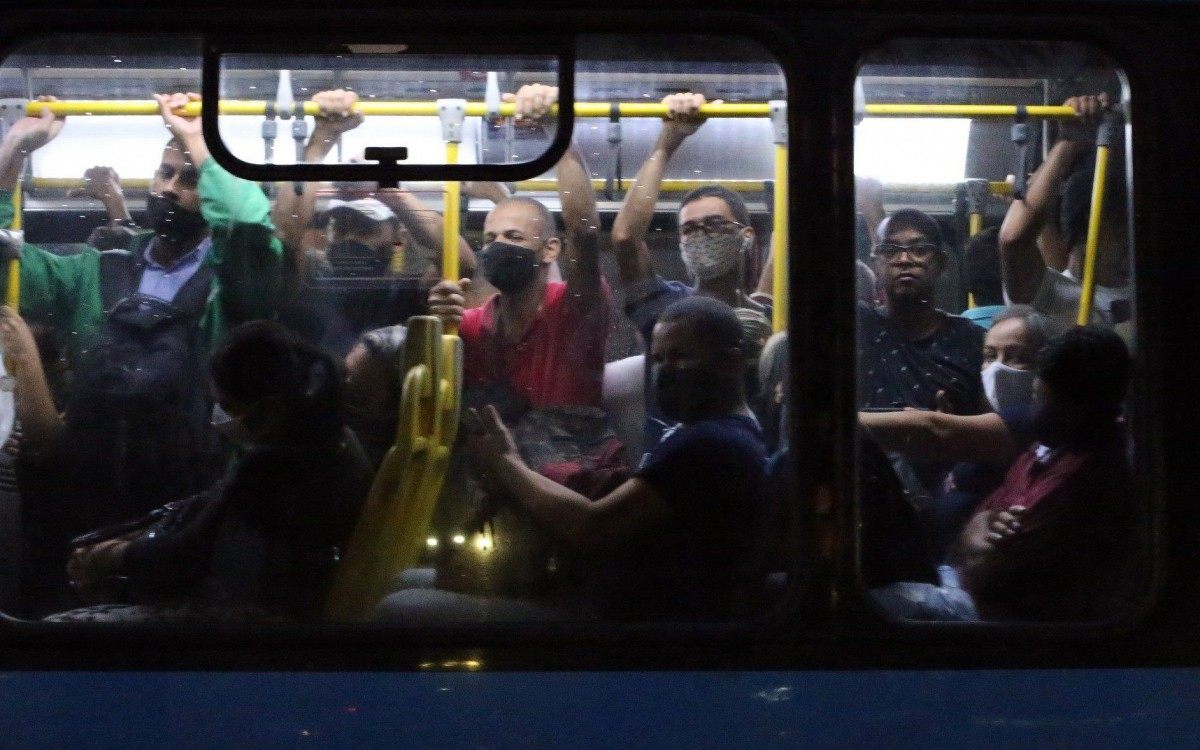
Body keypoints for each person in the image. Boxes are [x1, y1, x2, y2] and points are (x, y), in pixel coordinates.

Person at [0, 93, 284, 609]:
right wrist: (12, 153)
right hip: (86, 487)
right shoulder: (96, 269)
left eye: (190, 180)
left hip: (188, 503)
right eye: (164, 174)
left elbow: (248, 225)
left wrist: (198, 139)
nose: (170, 189)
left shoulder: (232, 285)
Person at [377, 296, 769, 623]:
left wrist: (506, 464)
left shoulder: (714, 445)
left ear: (731, 362)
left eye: (681, 359)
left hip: (625, 620)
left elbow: (591, 526)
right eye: (659, 360)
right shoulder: (697, 433)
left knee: (398, 607)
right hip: (601, 593)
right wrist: (511, 463)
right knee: (404, 580)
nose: (665, 372)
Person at [46, 321, 372, 623]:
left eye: (229, 406)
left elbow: (185, 553)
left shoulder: (279, 469)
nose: (220, 417)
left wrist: (113, 556)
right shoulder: (332, 443)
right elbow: (210, 508)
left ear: (270, 410)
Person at [871, 325, 1133, 622]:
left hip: (988, 611)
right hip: (955, 576)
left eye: (1046, 403)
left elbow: (990, 567)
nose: (1035, 413)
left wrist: (975, 531)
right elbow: (984, 515)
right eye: (989, 355)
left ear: (1083, 408)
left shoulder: (1088, 477)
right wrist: (982, 522)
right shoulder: (1045, 447)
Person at [426, 83, 608, 415]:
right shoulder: (470, 324)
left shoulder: (573, 308)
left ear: (550, 250)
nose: (498, 246)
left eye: (514, 236)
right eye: (490, 239)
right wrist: (436, 324)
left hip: (570, 445)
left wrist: (559, 133)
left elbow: (584, 233)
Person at [610, 92, 772, 446]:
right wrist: (668, 140)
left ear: (745, 236)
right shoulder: (668, 311)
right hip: (675, 459)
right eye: (689, 229)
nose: (701, 236)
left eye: (714, 225)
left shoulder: (770, 316)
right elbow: (625, 239)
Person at [860, 305, 1063, 555]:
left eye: (1016, 357)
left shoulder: (1032, 420)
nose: (997, 368)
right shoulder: (985, 420)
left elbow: (930, 429)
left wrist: (844, 423)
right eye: (990, 356)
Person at [998, 93, 1131, 329]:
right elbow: (1014, 240)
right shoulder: (1055, 294)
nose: (1127, 242)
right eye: (1119, 229)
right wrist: (1069, 141)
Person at [858, 208, 985, 414]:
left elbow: (996, 424)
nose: (904, 259)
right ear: (875, 265)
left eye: (919, 249)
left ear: (941, 263)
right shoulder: (860, 328)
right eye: (890, 250)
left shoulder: (971, 340)